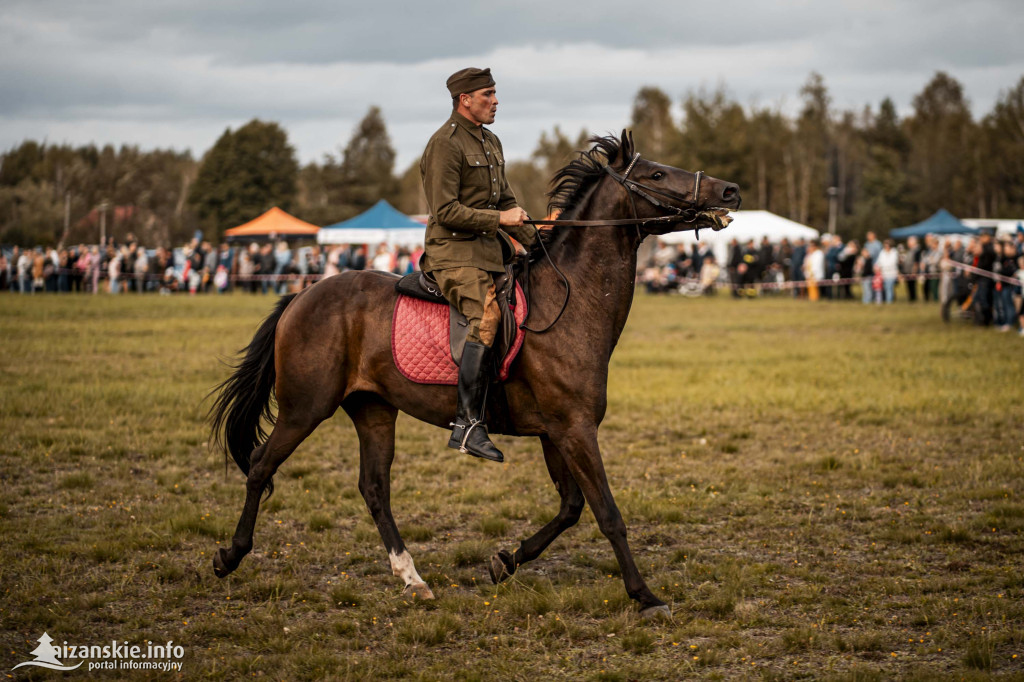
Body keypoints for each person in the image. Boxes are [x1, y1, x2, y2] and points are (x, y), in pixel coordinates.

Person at [420, 66, 536, 463]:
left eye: (495, 93)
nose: (495, 100)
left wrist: (541, 243)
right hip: (451, 254)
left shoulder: (491, 142)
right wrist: (500, 221)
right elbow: (445, 210)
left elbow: (506, 203)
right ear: (464, 100)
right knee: (485, 316)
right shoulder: (444, 144)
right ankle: (468, 424)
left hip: (489, 252)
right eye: (487, 94)